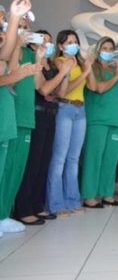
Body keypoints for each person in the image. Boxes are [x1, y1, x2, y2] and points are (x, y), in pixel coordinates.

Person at [14, 31, 73, 225]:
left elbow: (60, 93)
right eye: (43, 41)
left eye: (49, 42)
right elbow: (43, 89)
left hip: (51, 114)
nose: (46, 45)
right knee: (33, 162)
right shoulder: (32, 59)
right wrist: (62, 73)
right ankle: (23, 208)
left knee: (43, 162)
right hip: (36, 113)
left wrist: (65, 73)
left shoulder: (49, 64)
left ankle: (37, 205)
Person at [45, 30, 93, 216]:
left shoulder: (79, 63)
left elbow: (90, 86)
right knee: (59, 158)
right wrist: (84, 73)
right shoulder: (59, 62)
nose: (73, 44)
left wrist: (87, 68)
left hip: (80, 110)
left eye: (75, 41)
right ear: (60, 46)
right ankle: (56, 204)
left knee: (74, 158)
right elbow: (63, 92)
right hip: (64, 109)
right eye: (69, 42)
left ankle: (72, 200)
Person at [0, 27, 42, 234]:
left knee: (15, 170)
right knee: (5, 169)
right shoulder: (9, 49)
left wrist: (39, 60)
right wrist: (15, 42)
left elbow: (37, 85)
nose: (24, 30)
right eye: (19, 25)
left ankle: (4, 214)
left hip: (26, 116)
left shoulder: (31, 53)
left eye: (26, 26)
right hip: (11, 114)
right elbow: (11, 76)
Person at [80, 37, 118, 209]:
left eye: (110, 48)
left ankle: (107, 194)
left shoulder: (116, 70)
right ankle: (89, 195)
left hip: (116, 120)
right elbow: (99, 88)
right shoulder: (92, 67)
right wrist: (116, 75)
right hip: (98, 119)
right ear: (98, 50)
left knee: (111, 159)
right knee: (94, 158)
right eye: (105, 48)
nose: (108, 51)